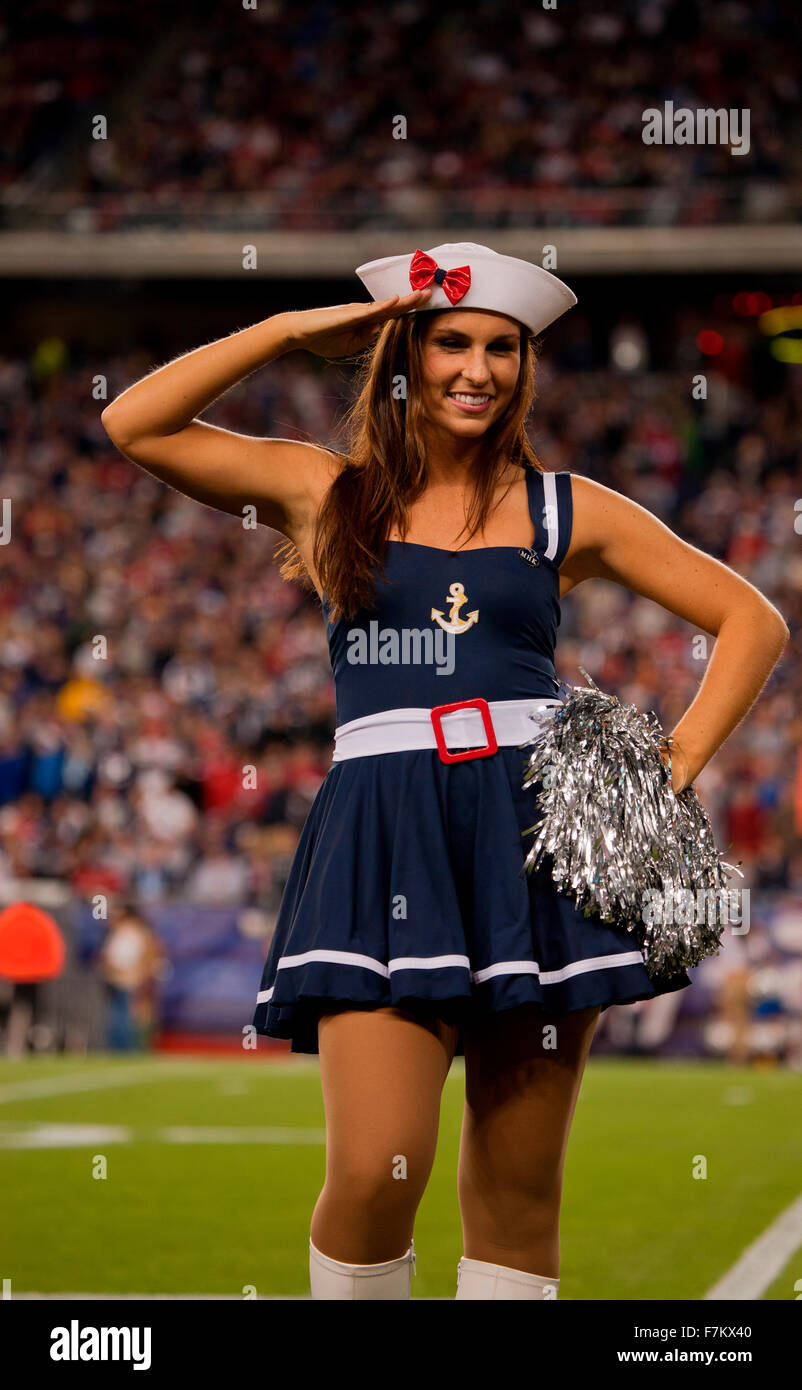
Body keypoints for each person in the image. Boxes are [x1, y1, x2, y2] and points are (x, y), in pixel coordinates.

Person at [101, 242, 789, 1300]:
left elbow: (750, 617)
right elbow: (134, 423)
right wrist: (294, 332)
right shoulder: (323, 488)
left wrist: (674, 765)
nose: (477, 367)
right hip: (382, 827)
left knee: (519, 1194)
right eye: (450, 342)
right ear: (401, 358)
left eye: (501, 349)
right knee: (378, 1172)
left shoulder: (567, 508)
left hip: (533, 841)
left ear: (525, 366)